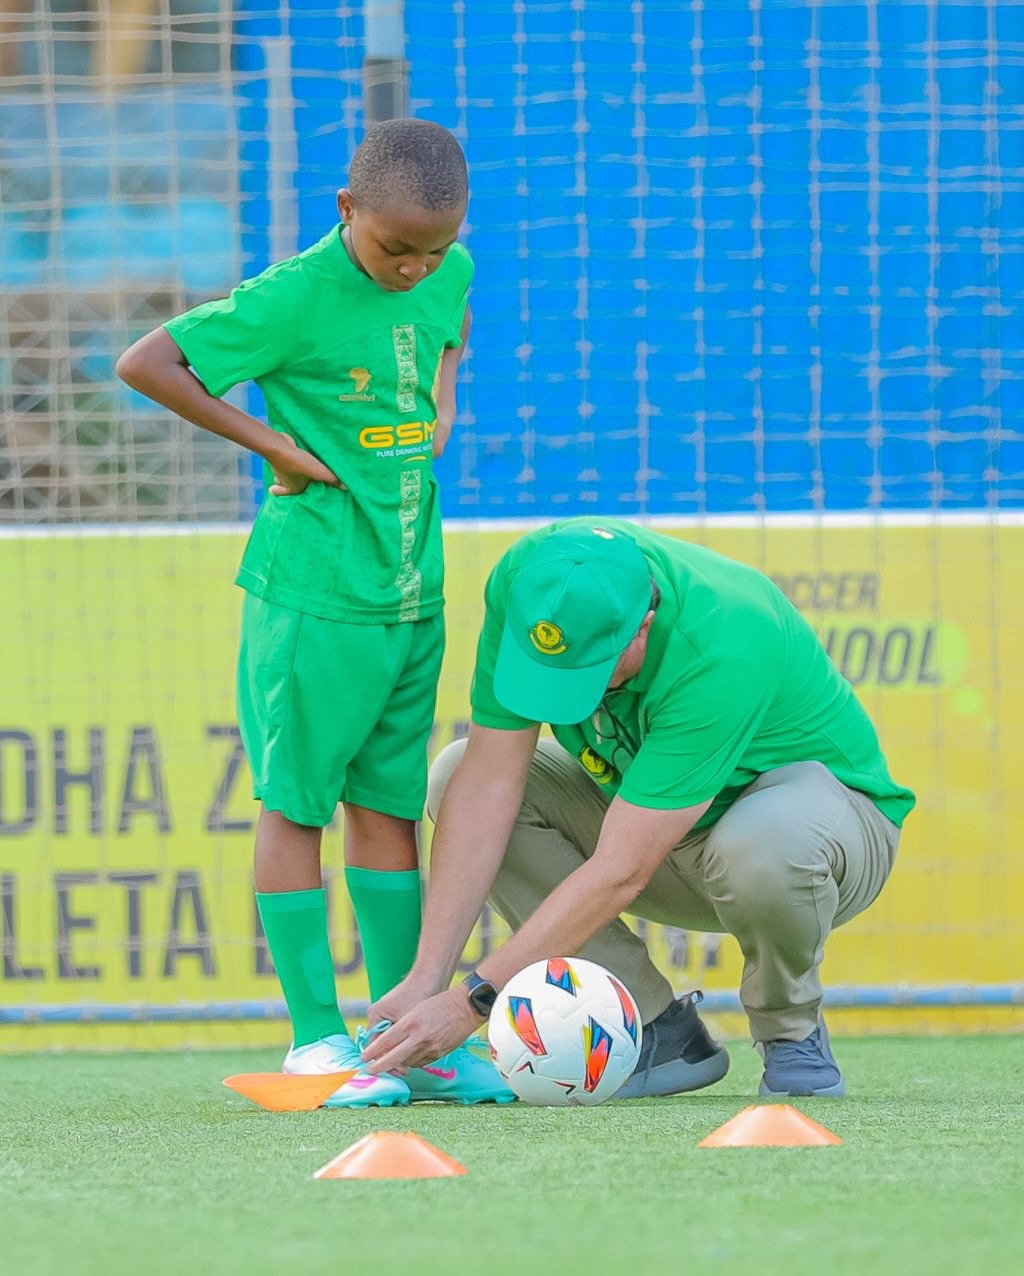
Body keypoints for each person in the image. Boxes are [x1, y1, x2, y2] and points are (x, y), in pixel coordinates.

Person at [117, 117, 512, 1108]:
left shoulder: (450, 274)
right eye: (394, 250)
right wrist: (275, 446)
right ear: (345, 212)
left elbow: (450, 338)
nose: (416, 270)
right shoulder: (291, 296)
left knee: (386, 811)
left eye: (434, 250)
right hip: (313, 598)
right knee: (296, 803)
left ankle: (405, 1035)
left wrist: (444, 399)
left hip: (411, 592)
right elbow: (149, 362)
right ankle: (313, 1038)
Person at [361, 517, 916, 1099]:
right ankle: (656, 1032)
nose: (571, 693)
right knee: (455, 774)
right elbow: (485, 790)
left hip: (825, 837)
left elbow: (621, 868)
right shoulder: (531, 585)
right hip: (661, 833)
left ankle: (790, 1032)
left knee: (760, 844)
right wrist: (428, 979)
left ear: (642, 627)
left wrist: (473, 1000)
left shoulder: (723, 636)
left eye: (590, 672)